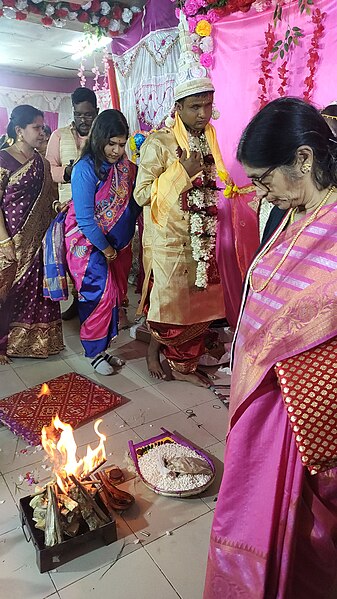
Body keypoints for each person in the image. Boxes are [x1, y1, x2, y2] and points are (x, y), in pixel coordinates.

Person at [204, 97, 337, 599]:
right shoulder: (291, 211)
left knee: (296, 537)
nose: (258, 192)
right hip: (263, 406)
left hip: (306, 421)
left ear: (303, 160)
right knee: (247, 507)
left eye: (263, 178)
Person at [134, 13, 227, 387]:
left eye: (207, 105)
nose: (203, 115)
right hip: (168, 242)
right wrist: (180, 174)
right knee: (169, 306)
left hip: (202, 237)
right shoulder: (158, 143)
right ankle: (155, 349)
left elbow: (219, 180)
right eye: (195, 107)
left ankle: (187, 360)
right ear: (178, 109)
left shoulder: (211, 138)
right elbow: (142, 194)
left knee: (203, 302)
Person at [64, 109, 141, 375]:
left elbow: (134, 201)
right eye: (112, 144)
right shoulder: (84, 169)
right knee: (99, 297)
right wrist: (107, 249)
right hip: (87, 246)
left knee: (113, 298)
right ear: (99, 139)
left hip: (115, 247)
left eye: (121, 144)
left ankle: (104, 348)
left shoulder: (123, 168)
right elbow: (85, 220)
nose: (117, 151)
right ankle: (94, 353)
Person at [0, 105, 63, 364]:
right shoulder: (3, 160)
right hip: (10, 237)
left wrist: (60, 208)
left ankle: (38, 340)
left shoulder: (41, 163)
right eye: (36, 127)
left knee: (38, 287)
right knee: (8, 289)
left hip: (39, 238)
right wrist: (4, 240)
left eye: (43, 127)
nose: (42, 132)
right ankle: (4, 343)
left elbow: (49, 198)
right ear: (19, 130)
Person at [46, 87, 98, 320]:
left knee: (95, 259)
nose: (83, 120)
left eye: (87, 114)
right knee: (73, 257)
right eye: (78, 114)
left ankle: (99, 304)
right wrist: (68, 172)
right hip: (69, 209)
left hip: (99, 209)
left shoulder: (103, 136)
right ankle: (78, 302)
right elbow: (49, 170)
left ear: (96, 112)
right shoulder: (58, 135)